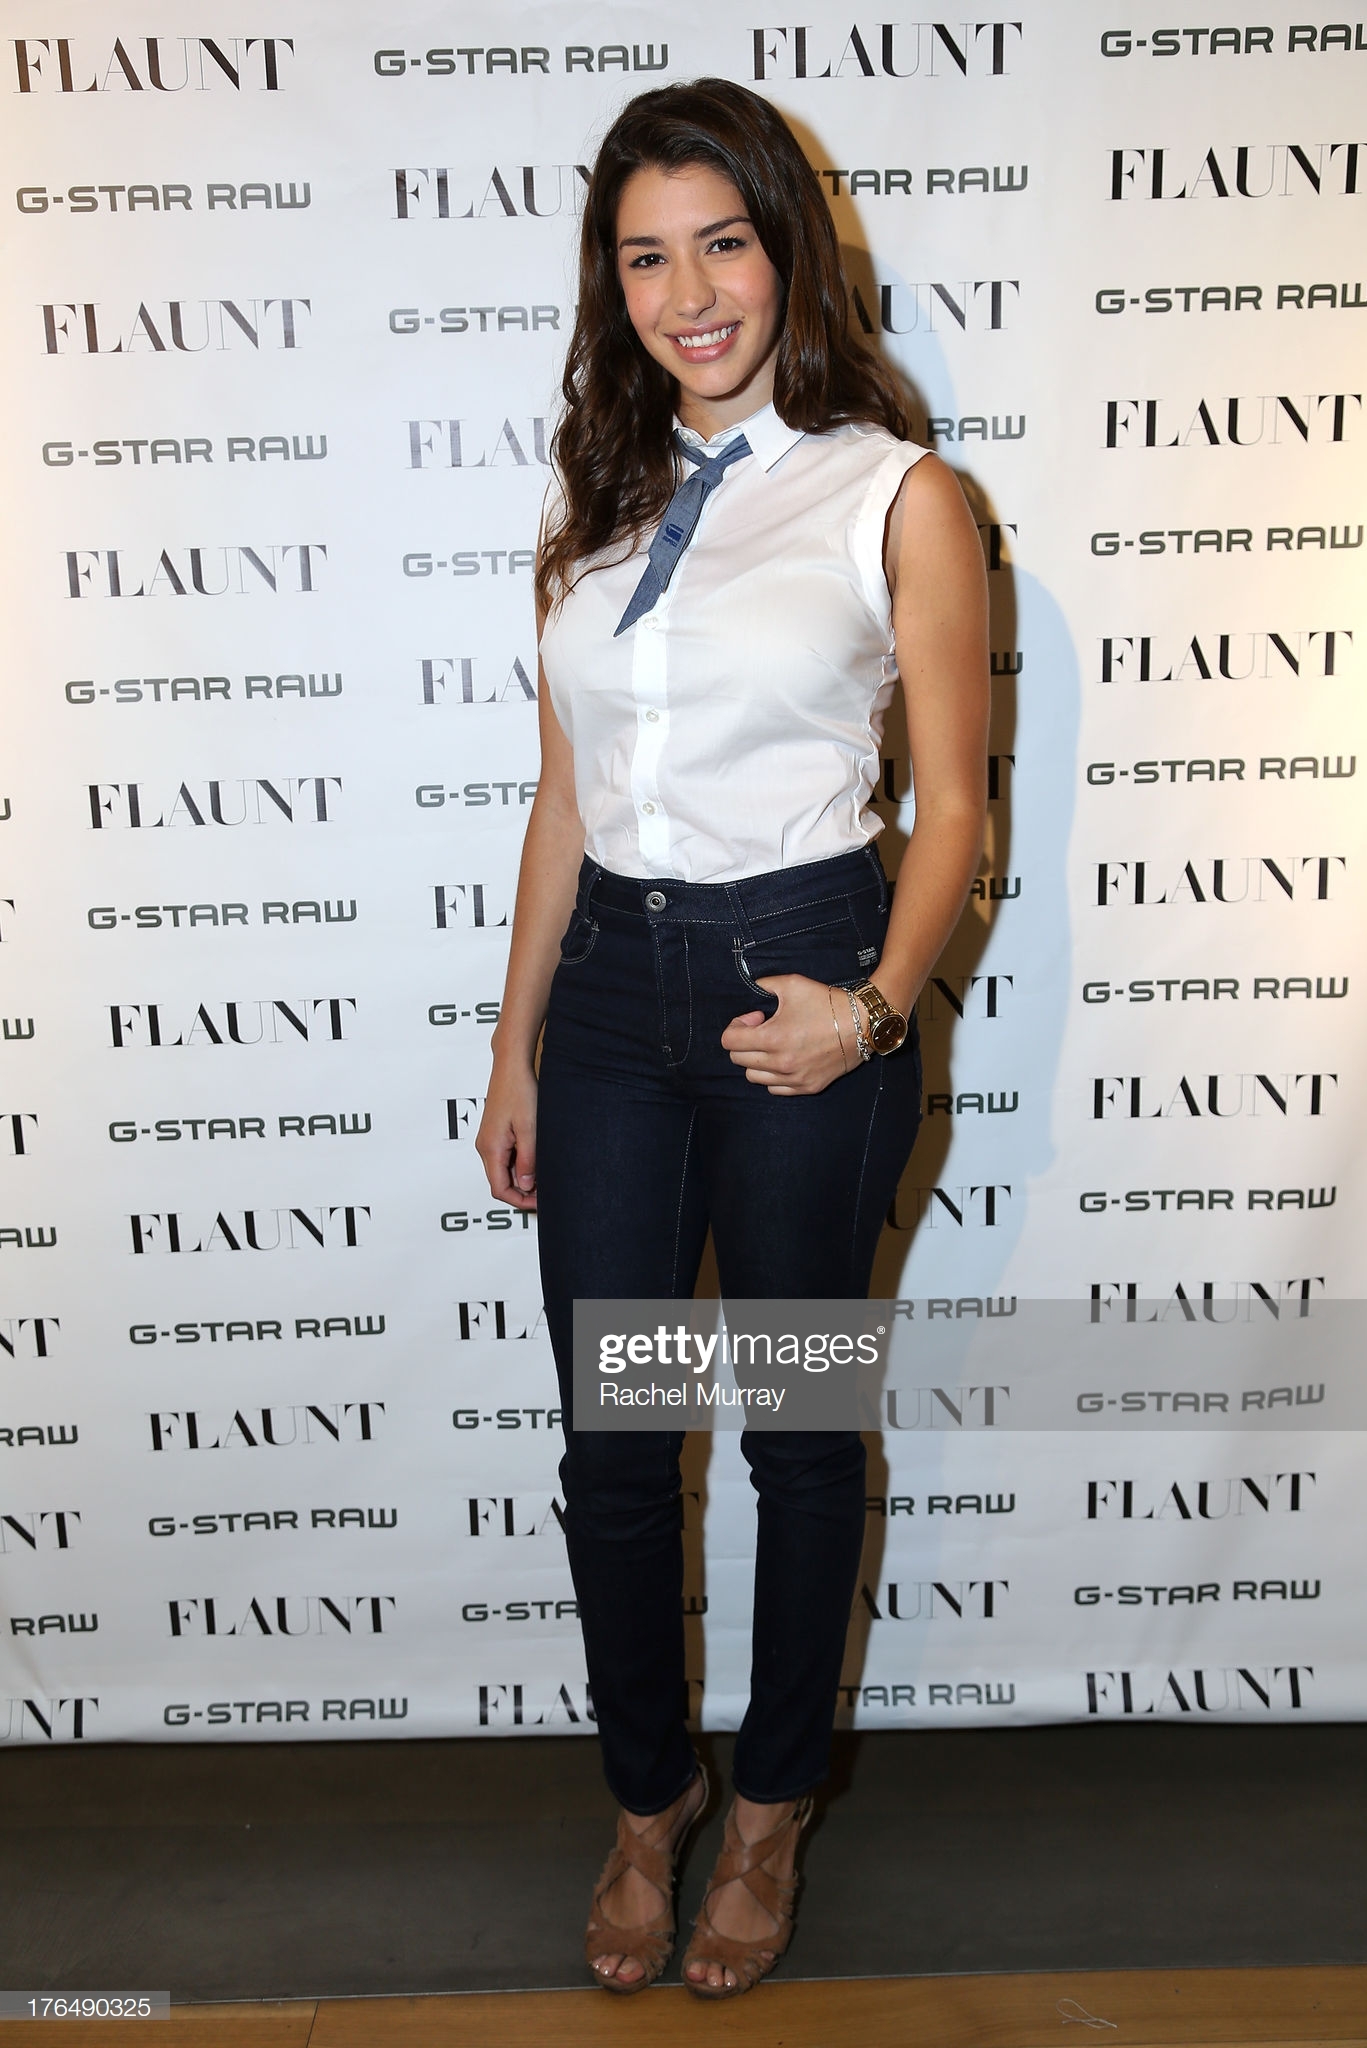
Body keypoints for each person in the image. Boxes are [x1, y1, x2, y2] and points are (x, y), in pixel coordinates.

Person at [476, 77, 988, 1999]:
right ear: (608, 286)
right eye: (644, 258)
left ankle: (769, 1810)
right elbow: (563, 799)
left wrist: (870, 1011)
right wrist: (517, 1045)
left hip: (803, 977)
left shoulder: (892, 495)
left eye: (721, 245)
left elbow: (955, 808)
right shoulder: (595, 513)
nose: (687, 294)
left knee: (792, 1425)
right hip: (612, 1002)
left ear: (787, 253)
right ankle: (647, 1800)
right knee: (615, 1442)